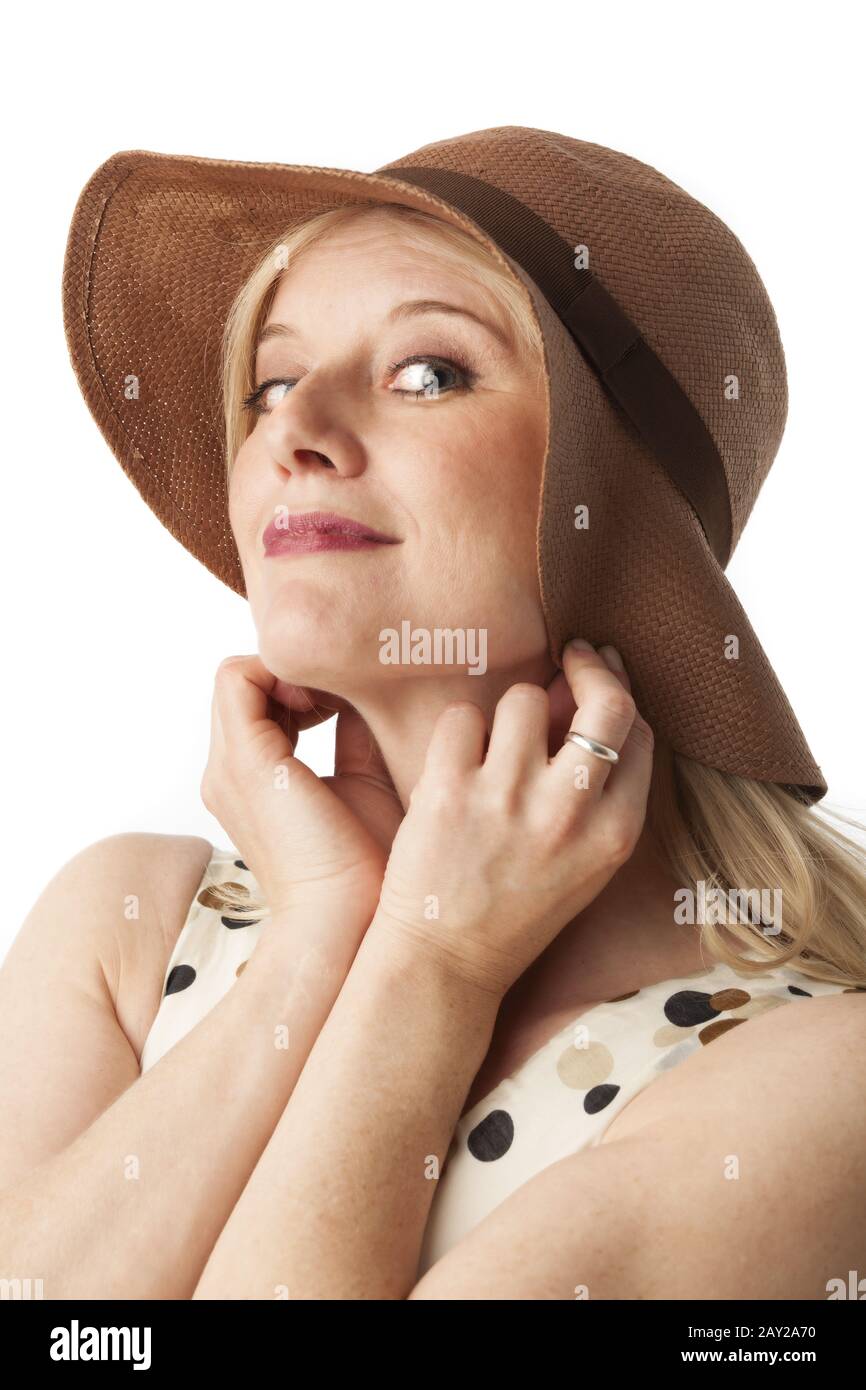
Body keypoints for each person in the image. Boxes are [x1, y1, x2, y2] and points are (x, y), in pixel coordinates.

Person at [1, 128, 864, 1300]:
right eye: (269, 380)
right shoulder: (127, 927)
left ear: (617, 511)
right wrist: (323, 931)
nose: (292, 430)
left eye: (428, 373)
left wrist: (431, 966)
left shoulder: (816, 1077)